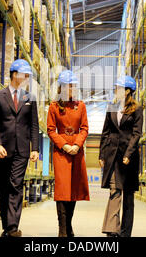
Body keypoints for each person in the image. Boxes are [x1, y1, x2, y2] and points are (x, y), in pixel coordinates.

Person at [0, 59, 39, 237]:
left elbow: (34, 125)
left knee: (16, 185)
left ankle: (12, 228)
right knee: (4, 186)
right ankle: (7, 226)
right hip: (3, 149)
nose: (26, 78)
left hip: (22, 150)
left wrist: (35, 148)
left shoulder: (29, 98)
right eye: (24, 74)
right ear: (14, 74)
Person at [47, 70, 90, 237]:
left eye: (74, 86)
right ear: (62, 87)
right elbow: (51, 130)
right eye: (70, 86)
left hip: (77, 152)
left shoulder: (81, 105)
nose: (73, 89)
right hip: (61, 152)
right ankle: (62, 230)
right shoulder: (54, 106)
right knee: (62, 191)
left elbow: (85, 128)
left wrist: (77, 145)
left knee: (74, 191)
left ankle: (69, 226)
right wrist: (64, 145)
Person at [99, 75, 143, 237]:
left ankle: (125, 232)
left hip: (128, 158)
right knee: (114, 190)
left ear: (127, 91)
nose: (115, 91)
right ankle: (112, 229)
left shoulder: (137, 109)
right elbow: (106, 132)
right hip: (113, 157)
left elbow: (136, 133)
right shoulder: (111, 106)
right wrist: (102, 154)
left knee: (129, 197)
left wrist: (128, 153)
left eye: (118, 88)